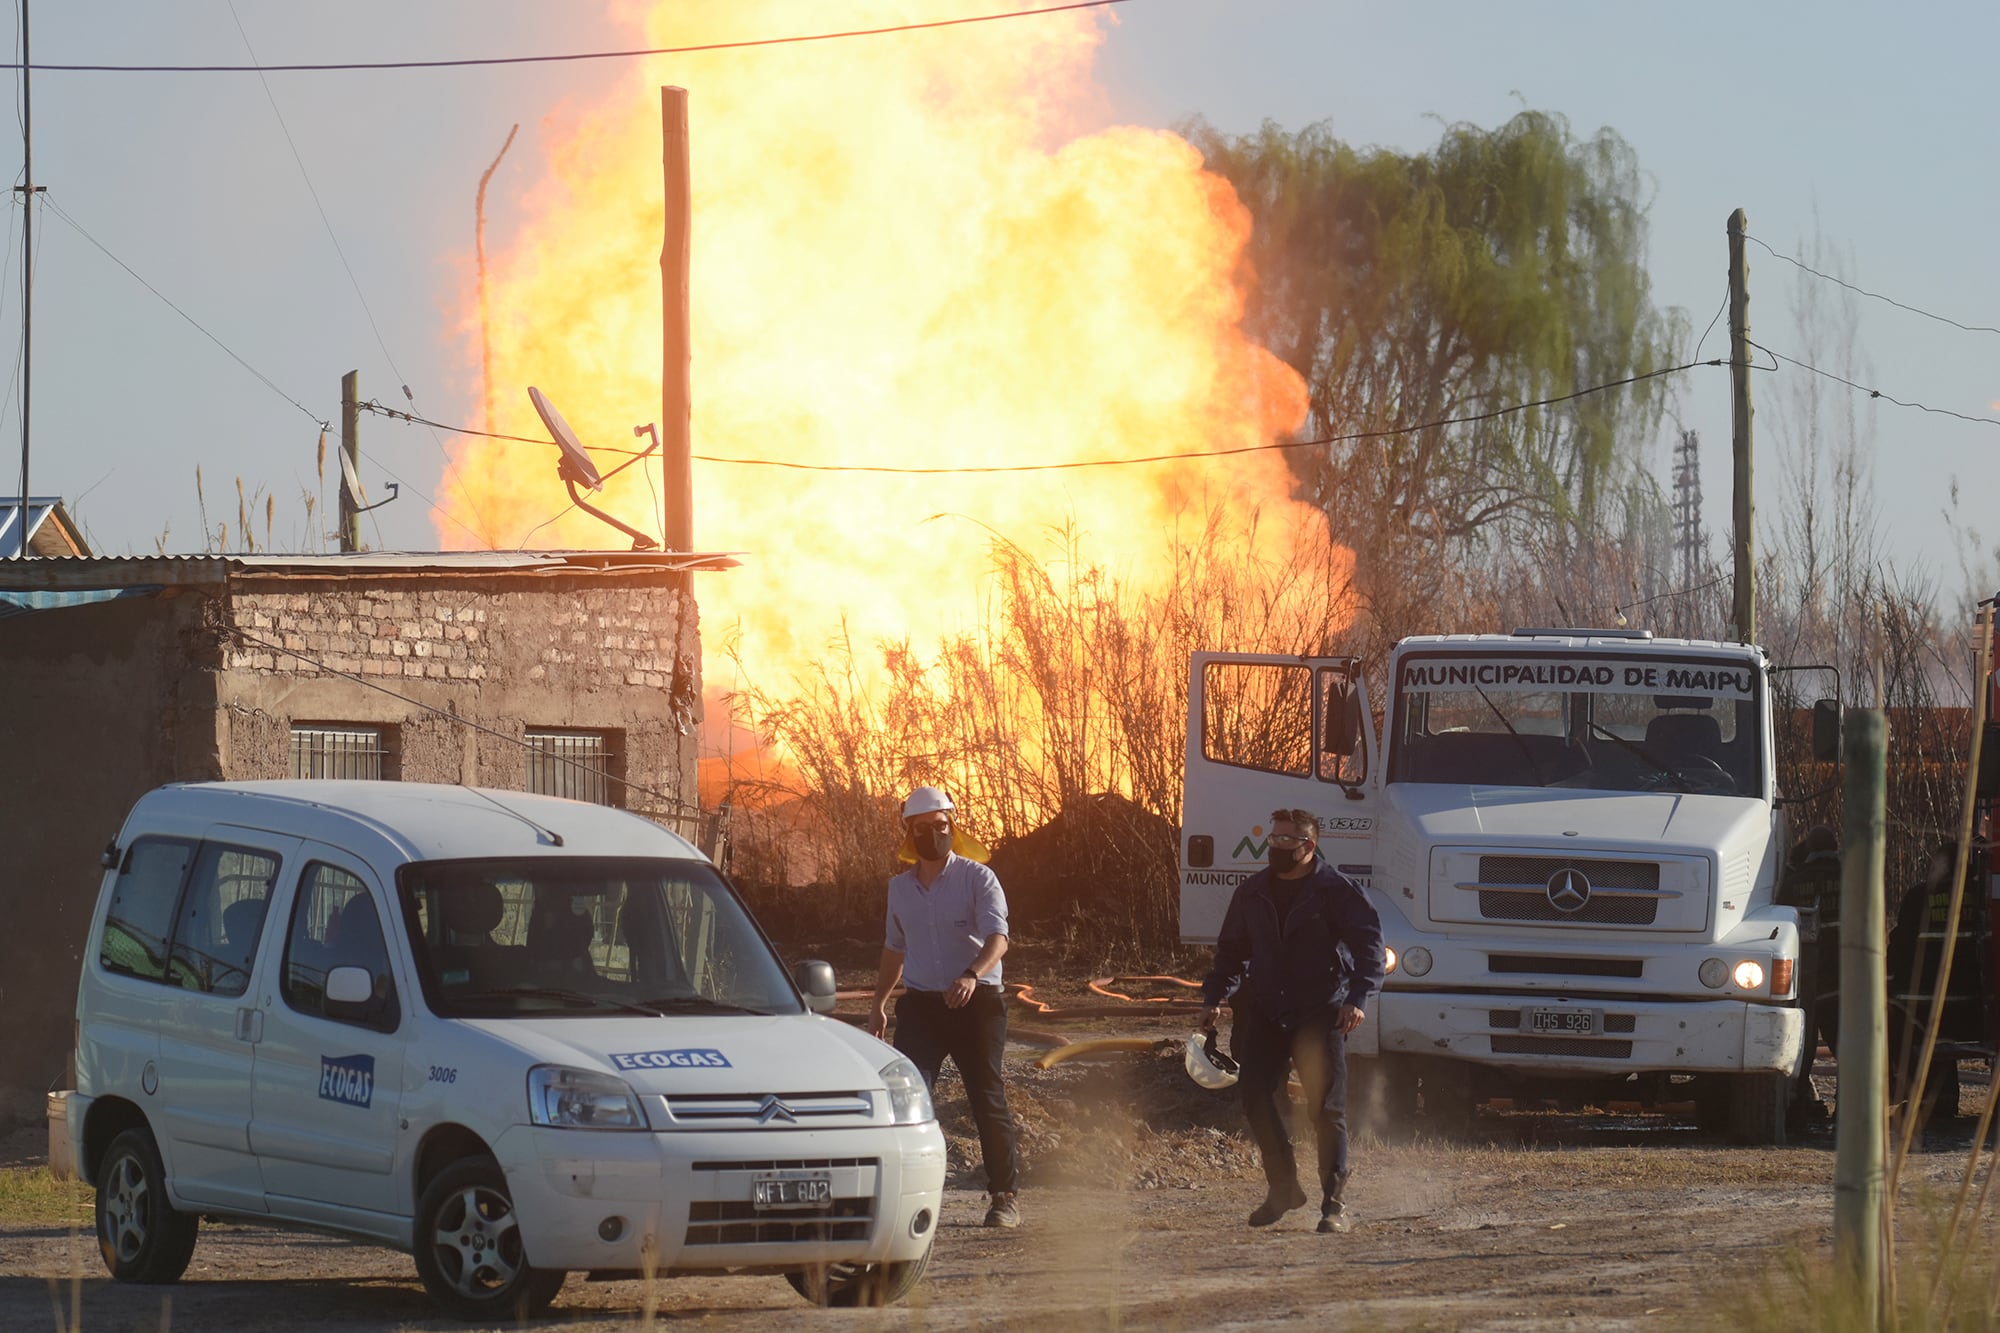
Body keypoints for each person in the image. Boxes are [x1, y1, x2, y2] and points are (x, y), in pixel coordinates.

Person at [1200, 808, 1384, 1233]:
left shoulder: (1337, 891)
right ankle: (1283, 1186)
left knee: (1326, 1108)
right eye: (1275, 838)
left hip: (1320, 1011)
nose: (1278, 846)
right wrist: (1214, 997)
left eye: (1289, 840)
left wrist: (1358, 999)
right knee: (1254, 1093)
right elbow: (1230, 952)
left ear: (1309, 846)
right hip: (1263, 1010)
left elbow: (1370, 948)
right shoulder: (1252, 893)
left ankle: (1333, 1204)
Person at [866, 785, 1022, 1229]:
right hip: (922, 1008)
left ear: (952, 826)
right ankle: (904, 1198)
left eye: (942, 825)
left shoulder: (978, 878)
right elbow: (894, 948)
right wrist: (879, 1003)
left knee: (986, 1096)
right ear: (909, 834)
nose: (935, 833)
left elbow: (999, 938)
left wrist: (972, 974)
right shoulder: (899, 888)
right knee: (909, 1098)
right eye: (924, 828)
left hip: (977, 1004)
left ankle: (1004, 1196)